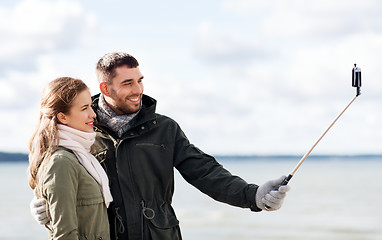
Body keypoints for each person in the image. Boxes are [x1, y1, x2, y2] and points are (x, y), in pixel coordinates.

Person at [31, 52, 290, 240]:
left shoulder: (164, 128)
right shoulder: (82, 131)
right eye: (127, 83)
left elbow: (205, 171)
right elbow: (57, 176)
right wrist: (44, 205)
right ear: (105, 88)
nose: (138, 89)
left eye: (140, 80)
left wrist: (253, 196)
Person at [28, 77, 113, 240]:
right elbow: (64, 235)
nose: (93, 114)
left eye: (91, 106)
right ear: (63, 117)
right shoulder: (61, 162)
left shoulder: (81, 155)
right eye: (84, 108)